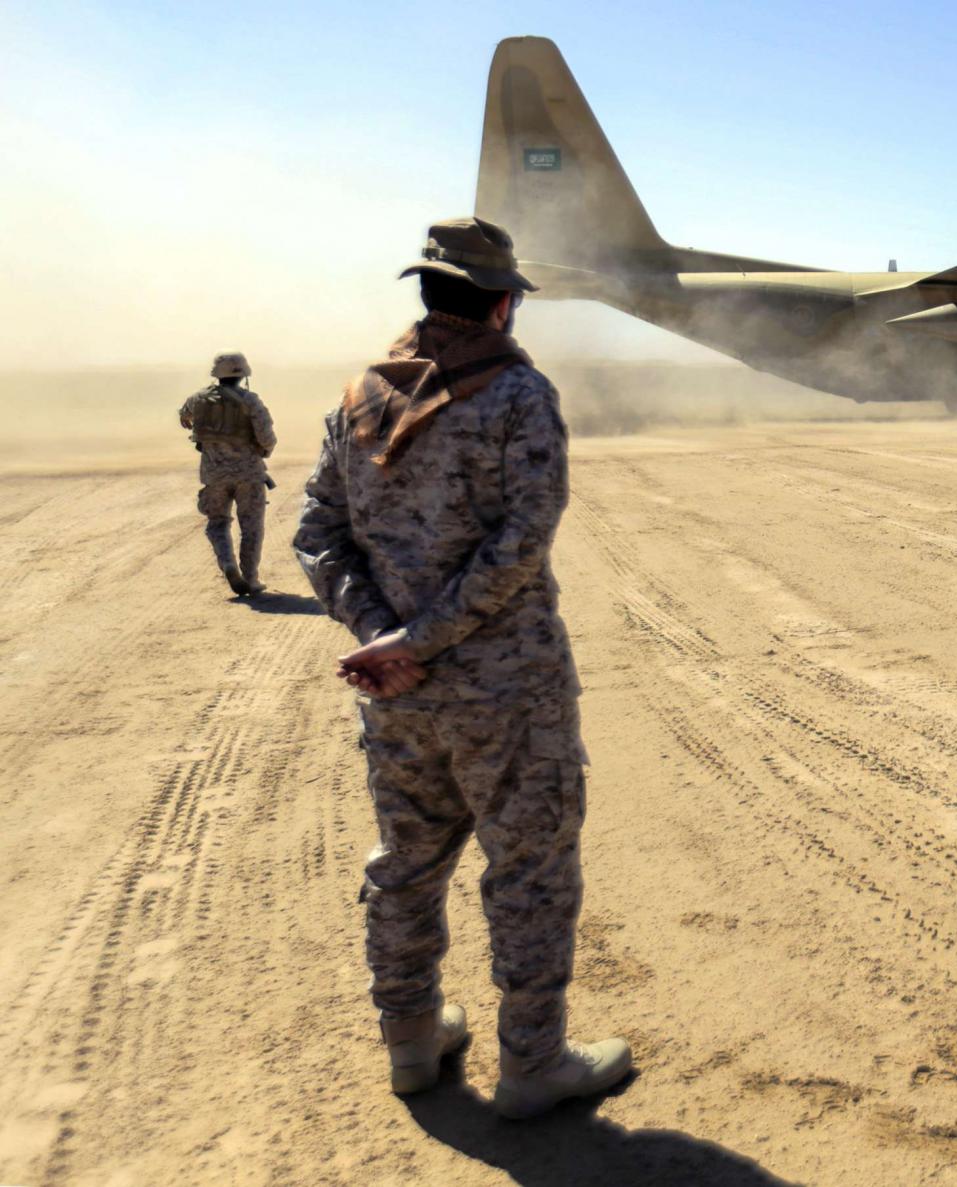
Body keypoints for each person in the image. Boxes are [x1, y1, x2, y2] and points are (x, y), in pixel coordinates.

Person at [292, 216, 630, 1119]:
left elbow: (317, 531)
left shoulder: (362, 397)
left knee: (408, 859)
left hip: (397, 694)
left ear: (427, 293)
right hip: (506, 689)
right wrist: (421, 637)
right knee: (530, 866)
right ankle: (534, 1063)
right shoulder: (518, 393)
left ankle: (411, 1042)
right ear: (502, 303)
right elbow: (523, 540)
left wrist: (383, 635)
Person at [179, 352, 275, 596]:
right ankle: (250, 578)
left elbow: (184, 415)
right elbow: (267, 438)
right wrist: (263, 452)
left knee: (218, 522)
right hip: (249, 474)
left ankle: (227, 563)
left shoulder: (198, 399)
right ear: (243, 375)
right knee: (251, 527)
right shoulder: (251, 401)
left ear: (216, 374)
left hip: (214, 474)